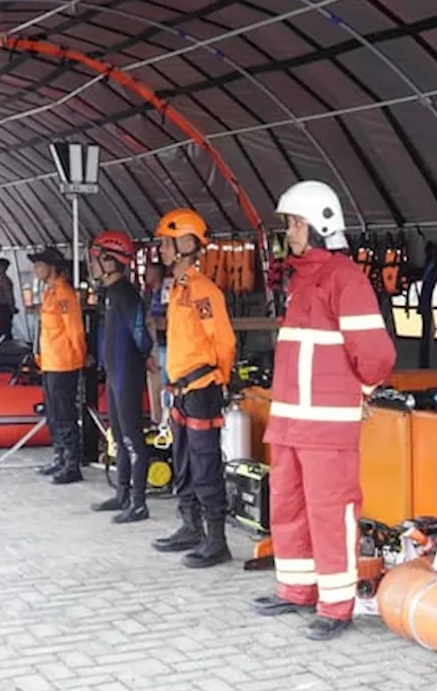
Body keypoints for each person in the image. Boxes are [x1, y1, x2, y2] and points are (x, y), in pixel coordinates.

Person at [250, 181, 396, 640]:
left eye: (295, 223)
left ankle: (336, 603)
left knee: (331, 513)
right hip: (291, 423)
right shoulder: (301, 279)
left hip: (327, 429)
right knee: (289, 507)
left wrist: (364, 391)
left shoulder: (345, 279)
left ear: (319, 226)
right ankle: (296, 588)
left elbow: (376, 353)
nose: (289, 231)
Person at [150, 209, 237, 569]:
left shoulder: (203, 290)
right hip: (181, 389)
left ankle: (216, 541)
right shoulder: (178, 289)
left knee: (205, 463)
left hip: (202, 389)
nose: (162, 250)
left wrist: (221, 377)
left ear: (186, 244)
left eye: (166, 243)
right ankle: (190, 526)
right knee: (183, 459)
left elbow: (225, 341)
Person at [89, 230, 154, 523]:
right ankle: (123, 494)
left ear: (112, 261)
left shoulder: (126, 294)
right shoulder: (110, 295)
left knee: (132, 438)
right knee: (119, 435)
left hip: (127, 371)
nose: (93, 265)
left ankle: (139, 502)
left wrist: (146, 353)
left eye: (98, 259)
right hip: (116, 372)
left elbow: (140, 333)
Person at [31, 247, 87, 484]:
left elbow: (75, 329)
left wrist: (79, 357)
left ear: (51, 267)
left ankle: (72, 463)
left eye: (39, 265)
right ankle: (60, 457)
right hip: (50, 362)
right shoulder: (50, 293)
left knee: (65, 414)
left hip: (64, 363)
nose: (36, 270)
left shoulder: (64, 294)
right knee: (54, 414)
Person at [0, 257, 19, 342]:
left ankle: (6, 347)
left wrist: (12, 308)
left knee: (3, 329)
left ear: (3, 267)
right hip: (0, 307)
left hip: (4, 307)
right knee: (0, 329)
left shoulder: (5, 281)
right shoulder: (1, 279)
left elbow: (9, 296)